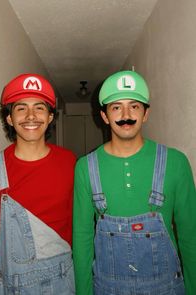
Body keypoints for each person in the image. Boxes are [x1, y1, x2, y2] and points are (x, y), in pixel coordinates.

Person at [73, 70, 196, 295]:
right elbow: (82, 239)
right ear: (104, 116)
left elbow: (191, 236)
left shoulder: (175, 162)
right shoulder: (85, 167)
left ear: (146, 113)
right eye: (116, 107)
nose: (126, 114)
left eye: (134, 106)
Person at [0, 73, 76, 294]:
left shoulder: (70, 162)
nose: (31, 116)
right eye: (21, 108)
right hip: (9, 286)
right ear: (9, 118)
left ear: (51, 116)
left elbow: (80, 231)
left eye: (40, 108)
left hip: (63, 283)